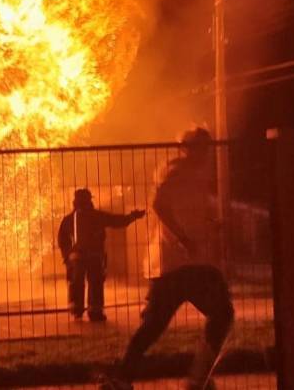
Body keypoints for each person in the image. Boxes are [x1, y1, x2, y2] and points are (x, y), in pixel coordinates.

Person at [100, 264, 234, 390]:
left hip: (179, 272)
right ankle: (199, 378)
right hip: (188, 272)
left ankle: (199, 377)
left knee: (151, 329)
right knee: (223, 314)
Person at [58, 188, 145, 322]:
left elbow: (62, 240)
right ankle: (95, 311)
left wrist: (67, 255)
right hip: (94, 255)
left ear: (75, 202)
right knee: (95, 282)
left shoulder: (69, 219)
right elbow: (117, 221)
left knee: (76, 282)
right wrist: (132, 216)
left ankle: (77, 310)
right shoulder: (96, 216)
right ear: (89, 201)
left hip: (77, 256)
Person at [152, 128, 222, 274]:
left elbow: (194, 208)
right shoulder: (176, 173)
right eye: (202, 148)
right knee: (175, 291)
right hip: (177, 249)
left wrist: (211, 224)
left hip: (193, 248)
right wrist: (183, 239)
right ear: (190, 149)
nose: (207, 153)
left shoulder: (197, 174)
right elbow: (158, 205)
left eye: (207, 148)